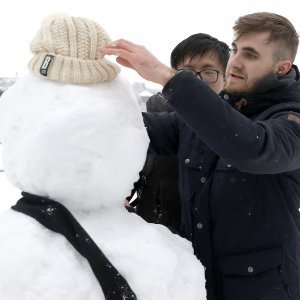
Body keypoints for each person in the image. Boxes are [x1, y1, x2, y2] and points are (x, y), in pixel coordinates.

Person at [102, 12, 300, 300]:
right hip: (198, 285)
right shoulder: (205, 118)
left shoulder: (290, 119)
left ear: (281, 67)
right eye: (235, 49)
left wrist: (170, 77)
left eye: (251, 54)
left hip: (265, 290)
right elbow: (134, 130)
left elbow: (251, 147)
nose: (236, 61)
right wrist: (82, 91)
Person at [128, 33, 229, 233]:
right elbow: (130, 162)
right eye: (187, 72)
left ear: (226, 78)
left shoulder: (240, 126)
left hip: (212, 244)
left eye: (209, 72)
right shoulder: (156, 114)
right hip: (155, 236)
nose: (197, 81)